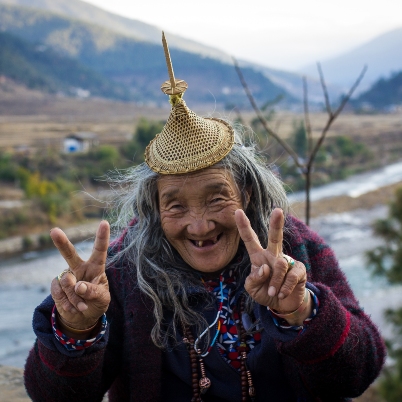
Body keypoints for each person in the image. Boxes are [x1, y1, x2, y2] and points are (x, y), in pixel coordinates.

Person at [24, 33, 385, 402]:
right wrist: (76, 329)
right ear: (155, 210)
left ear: (245, 192)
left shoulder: (293, 248)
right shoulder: (122, 270)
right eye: (176, 206)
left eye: (216, 198)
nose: (199, 226)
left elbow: (359, 371)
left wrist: (300, 309)